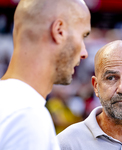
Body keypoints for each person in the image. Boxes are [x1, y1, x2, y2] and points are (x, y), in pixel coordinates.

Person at [0, 0, 91, 149]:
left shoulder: (11, 104)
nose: (84, 53)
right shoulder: (27, 116)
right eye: (83, 36)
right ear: (59, 31)